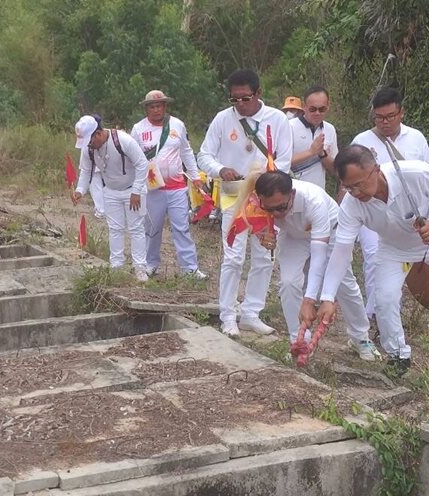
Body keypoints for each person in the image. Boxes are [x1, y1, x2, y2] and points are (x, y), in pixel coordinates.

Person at [312, 145, 429, 380]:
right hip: (394, 248)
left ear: (376, 169)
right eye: (348, 187)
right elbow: (341, 251)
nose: (356, 192)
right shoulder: (351, 205)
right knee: (384, 298)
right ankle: (398, 355)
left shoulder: (413, 173)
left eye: (359, 184)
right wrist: (328, 297)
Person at [198, 69, 293, 336]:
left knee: (264, 257)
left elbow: (285, 160)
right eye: (234, 99)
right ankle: (228, 315)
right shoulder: (222, 119)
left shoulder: (277, 119)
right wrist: (220, 169)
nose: (240, 104)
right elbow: (204, 155)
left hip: (264, 199)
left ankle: (251, 313)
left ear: (258, 93)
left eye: (245, 98)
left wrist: (265, 179)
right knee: (233, 257)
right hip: (234, 197)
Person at [253, 171, 379, 360]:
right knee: (288, 282)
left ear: (292, 194)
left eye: (281, 207)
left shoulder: (313, 201)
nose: (276, 214)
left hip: (330, 232)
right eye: (269, 209)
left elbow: (319, 257)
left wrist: (309, 300)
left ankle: (360, 337)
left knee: (343, 284)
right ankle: (299, 341)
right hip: (294, 236)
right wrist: (263, 234)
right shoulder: (257, 201)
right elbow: (256, 223)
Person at [351, 87, 429, 321]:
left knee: (400, 264)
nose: (384, 122)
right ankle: (374, 314)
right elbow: (349, 181)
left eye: (390, 116)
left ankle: (387, 309)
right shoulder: (362, 141)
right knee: (373, 257)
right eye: (379, 117)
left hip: (407, 215)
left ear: (401, 113)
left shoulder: (416, 139)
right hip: (372, 211)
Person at [130, 90, 206, 279]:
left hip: (177, 187)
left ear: (165, 106)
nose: (156, 109)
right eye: (152, 106)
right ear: (146, 109)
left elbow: (186, 152)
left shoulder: (177, 125)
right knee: (152, 228)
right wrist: (135, 187)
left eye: (159, 106)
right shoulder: (138, 129)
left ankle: (190, 268)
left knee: (181, 228)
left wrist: (195, 176)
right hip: (152, 189)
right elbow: (133, 158)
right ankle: (150, 264)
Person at [72, 114, 151, 282]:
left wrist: (136, 191)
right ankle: (116, 266)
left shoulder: (123, 140)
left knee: (136, 228)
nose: (89, 146)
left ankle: (140, 268)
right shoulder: (89, 149)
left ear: (98, 134)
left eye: (90, 141)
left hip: (134, 190)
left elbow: (142, 164)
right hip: (110, 191)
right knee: (115, 229)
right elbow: (86, 171)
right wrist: (80, 190)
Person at [290, 85, 338, 189]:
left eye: (322, 109)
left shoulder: (330, 129)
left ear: (328, 107)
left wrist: (322, 154)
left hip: (318, 192)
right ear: (304, 107)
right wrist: (311, 152)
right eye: (312, 109)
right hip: (292, 191)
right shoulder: (289, 127)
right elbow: (281, 162)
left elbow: (335, 170)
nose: (317, 113)